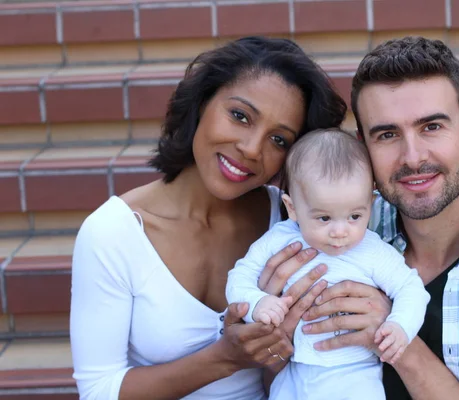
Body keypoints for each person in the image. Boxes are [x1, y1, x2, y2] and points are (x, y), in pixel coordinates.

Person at [265, 36, 459, 399]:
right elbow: (269, 373)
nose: (413, 156)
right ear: (363, 147)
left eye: (431, 127)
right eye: (387, 134)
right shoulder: (328, 229)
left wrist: (398, 341)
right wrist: (274, 345)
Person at [69, 36, 348, 400]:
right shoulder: (113, 233)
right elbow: (98, 391)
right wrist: (225, 358)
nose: (251, 148)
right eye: (240, 116)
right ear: (202, 103)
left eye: (279, 140)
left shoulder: (289, 220)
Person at [226, 129, 430, 399]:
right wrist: (257, 304)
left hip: (354, 375)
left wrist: (400, 325)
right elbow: (240, 276)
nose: (340, 231)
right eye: (324, 218)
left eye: (355, 216)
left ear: (370, 203)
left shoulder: (372, 250)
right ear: (293, 208)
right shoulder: (280, 239)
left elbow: (411, 288)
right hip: (293, 372)